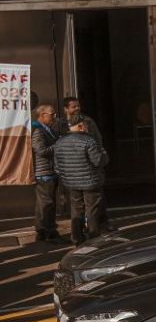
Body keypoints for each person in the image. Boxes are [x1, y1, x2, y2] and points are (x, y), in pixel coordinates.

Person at [52, 116, 108, 244]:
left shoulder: (59, 142)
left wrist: (68, 176)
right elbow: (98, 161)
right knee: (92, 209)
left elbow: (57, 167)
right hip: (90, 182)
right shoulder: (89, 141)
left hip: (71, 183)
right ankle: (94, 236)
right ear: (80, 126)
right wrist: (104, 153)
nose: (88, 127)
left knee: (76, 209)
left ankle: (77, 237)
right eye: (86, 125)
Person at [29, 103, 62, 241]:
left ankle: (42, 231)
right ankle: (49, 232)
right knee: (47, 204)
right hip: (44, 173)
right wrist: (59, 144)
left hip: (50, 172)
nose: (54, 116)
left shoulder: (48, 129)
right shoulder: (38, 131)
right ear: (42, 115)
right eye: (52, 114)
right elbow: (41, 151)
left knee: (44, 204)